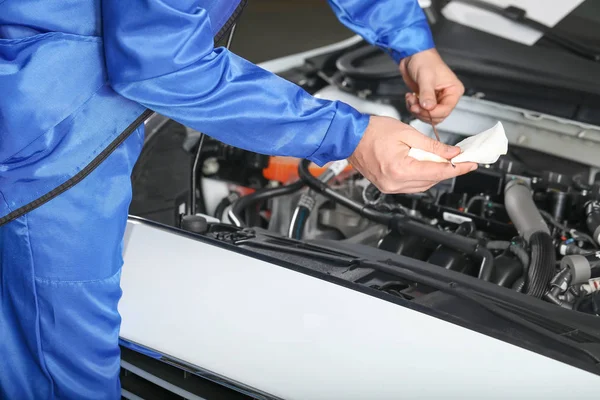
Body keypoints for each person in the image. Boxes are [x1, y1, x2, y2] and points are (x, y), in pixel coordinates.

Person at [0, 0, 476, 398]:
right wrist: (347, 134)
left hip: (84, 86)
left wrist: (411, 40)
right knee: (60, 360)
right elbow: (165, 63)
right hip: (46, 117)